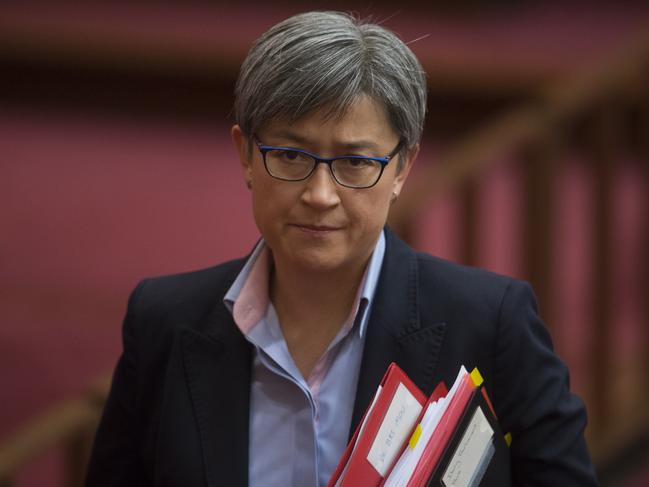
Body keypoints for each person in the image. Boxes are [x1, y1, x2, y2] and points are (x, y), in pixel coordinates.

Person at [86, 11, 598, 487]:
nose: (320, 195)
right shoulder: (163, 322)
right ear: (244, 153)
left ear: (402, 168)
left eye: (355, 163)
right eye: (290, 155)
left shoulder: (489, 324)